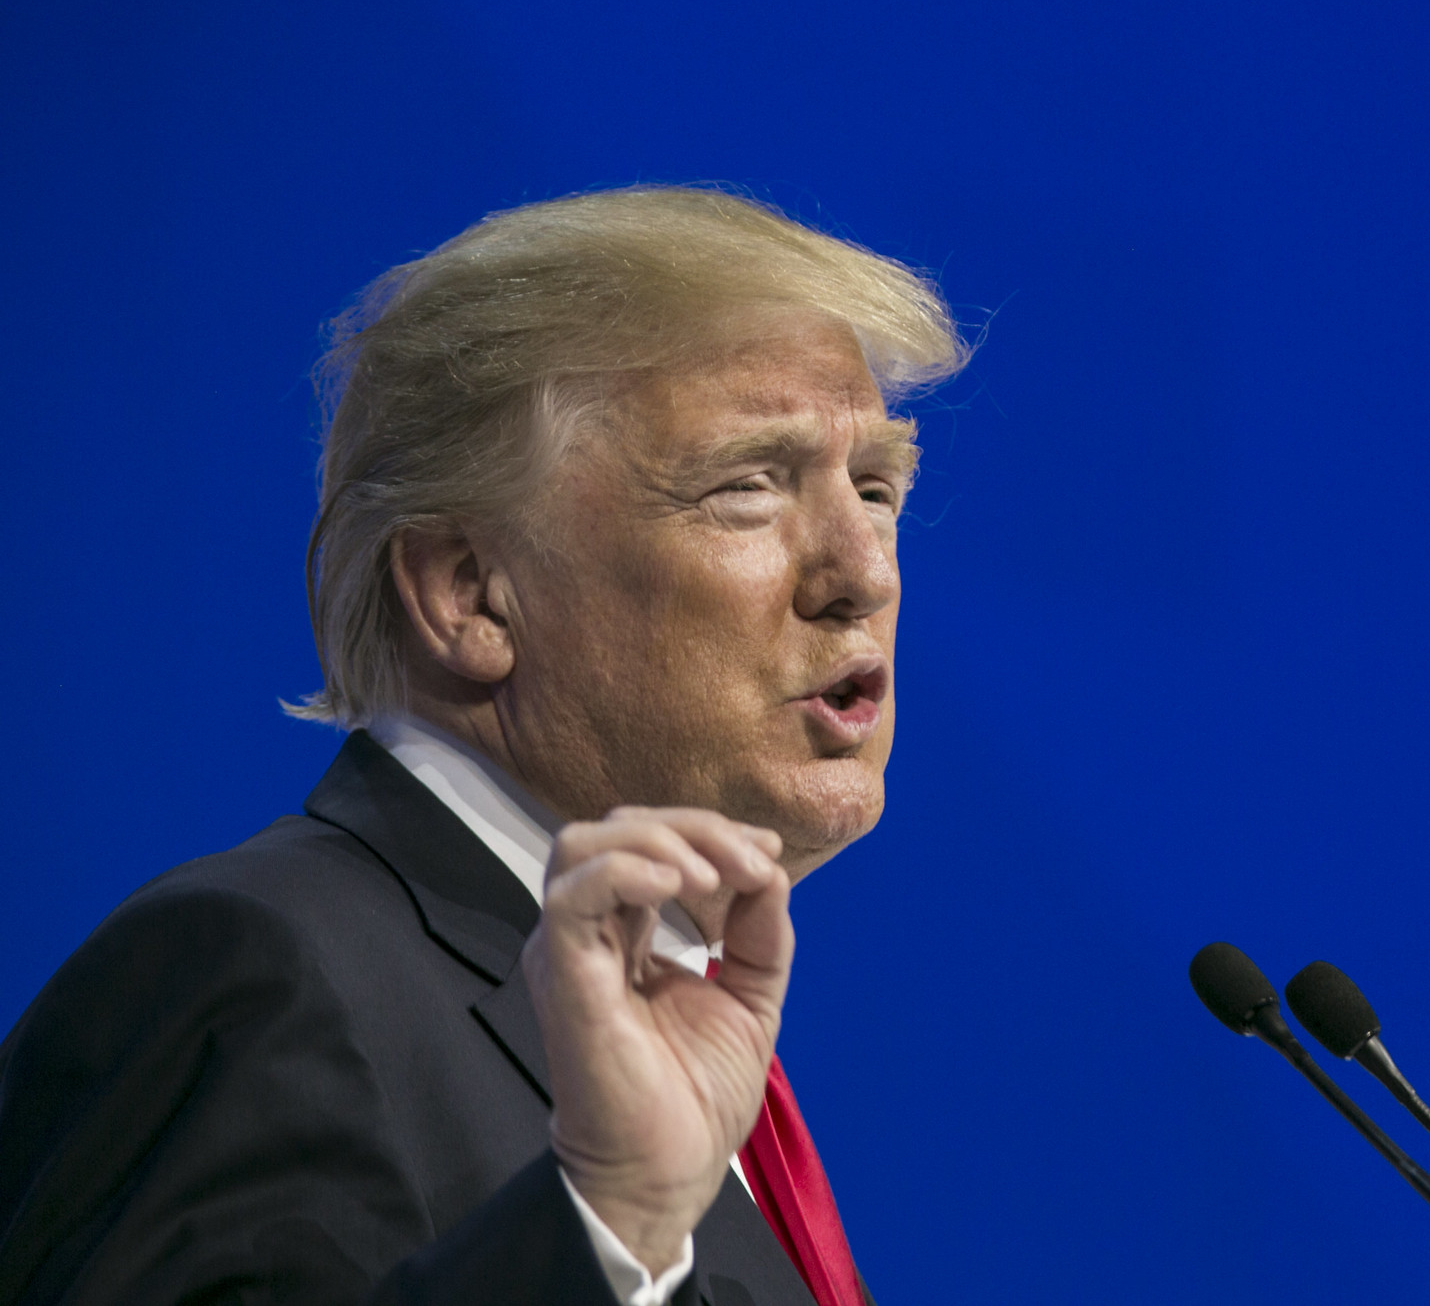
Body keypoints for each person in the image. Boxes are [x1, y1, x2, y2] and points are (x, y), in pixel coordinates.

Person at [0, 186, 971, 1305]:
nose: (867, 572)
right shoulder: (254, 973)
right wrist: (606, 1231)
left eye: (874, 486)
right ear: (470, 597)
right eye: (747, 486)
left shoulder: (688, 1042)